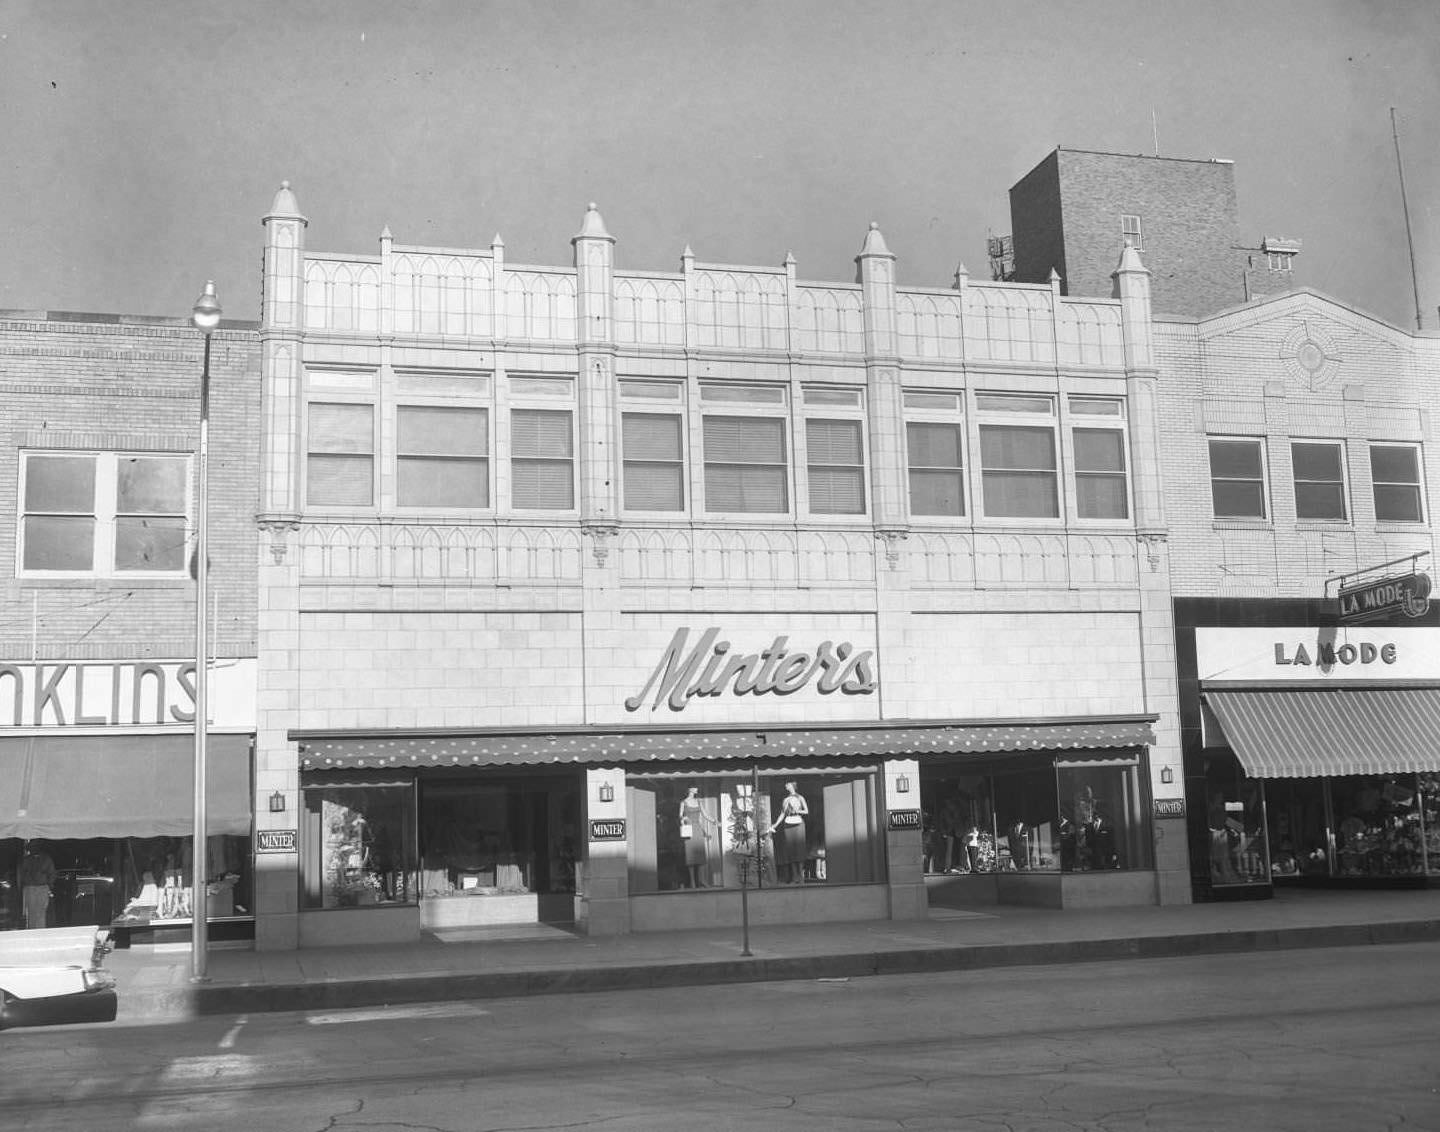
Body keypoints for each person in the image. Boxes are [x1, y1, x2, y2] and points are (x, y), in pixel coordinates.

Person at [769, 781, 810, 884]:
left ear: (793, 786)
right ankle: (795, 876)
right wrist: (775, 824)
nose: (786, 786)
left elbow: (806, 811)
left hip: (798, 823)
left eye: (788, 784)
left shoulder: (800, 797)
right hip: (788, 824)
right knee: (790, 850)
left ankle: (801, 876)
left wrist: (797, 811)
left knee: (799, 849)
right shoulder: (785, 800)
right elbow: (782, 814)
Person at [678, 786, 714, 888]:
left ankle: (702, 880)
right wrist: (684, 818)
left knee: (700, 855)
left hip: (697, 828)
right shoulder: (683, 802)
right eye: (695, 788)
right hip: (689, 829)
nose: (697, 789)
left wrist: (714, 821)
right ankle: (692, 881)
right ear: (689, 789)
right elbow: (680, 815)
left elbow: (705, 814)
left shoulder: (698, 802)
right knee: (690, 857)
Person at [20, 841, 57, 930]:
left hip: (42, 887)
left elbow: (52, 873)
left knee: (41, 912)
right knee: (31, 912)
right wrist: (22, 886)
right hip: (30, 888)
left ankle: (40, 933)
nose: (34, 849)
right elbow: (21, 874)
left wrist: (49, 885)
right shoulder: (25, 860)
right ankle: (32, 932)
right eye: (32, 847)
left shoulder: (46, 859)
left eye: (36, 847)